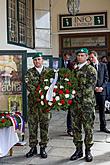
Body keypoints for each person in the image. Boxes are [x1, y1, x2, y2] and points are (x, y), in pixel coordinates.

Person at [70, 48, 97, 162]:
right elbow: (69, 84)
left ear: (87, 57)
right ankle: (78, 150)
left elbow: (89, 87)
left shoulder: (91, 70)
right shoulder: (74, 71)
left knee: (88, 128)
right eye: (78, 55)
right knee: (76, 128)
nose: (80, 57)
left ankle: (88, 151)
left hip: (87, 105)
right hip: (75, 105)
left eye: (82, 55)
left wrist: (74, 92)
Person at [25, 52, 51, 158]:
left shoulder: (49, 72)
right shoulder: (29, 72)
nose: (37, 61)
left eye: (39, 59)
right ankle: (33, 148)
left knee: (44, 126)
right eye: (35, 60)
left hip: (45, 105)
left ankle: (43, 148)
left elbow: (53, 85)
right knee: (32, 126)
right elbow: (29, 86)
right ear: (33, 61)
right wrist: (40, 93)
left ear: (42, 60)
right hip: (33, 105)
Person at [89, 50, 110, 133]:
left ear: (96, 56)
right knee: (91, 110)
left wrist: (102, 87)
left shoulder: (103, 65)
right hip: (92, 92)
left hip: (101, 92)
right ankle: (90, 127)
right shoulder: (89, 66)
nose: (91, 59)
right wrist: (94, 88)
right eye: (90, 58)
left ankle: (103, 127)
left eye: (92, 57)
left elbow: (106, 78)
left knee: (102, 110)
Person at [62, 52, 73, 136]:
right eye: (67, 56)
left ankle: (72, 128)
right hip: (62, 84)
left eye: (69, 56)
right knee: (70, 111)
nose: (68, 57)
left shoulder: (71, 64)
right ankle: (70, 128)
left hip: (70, 86)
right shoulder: (60, 62)